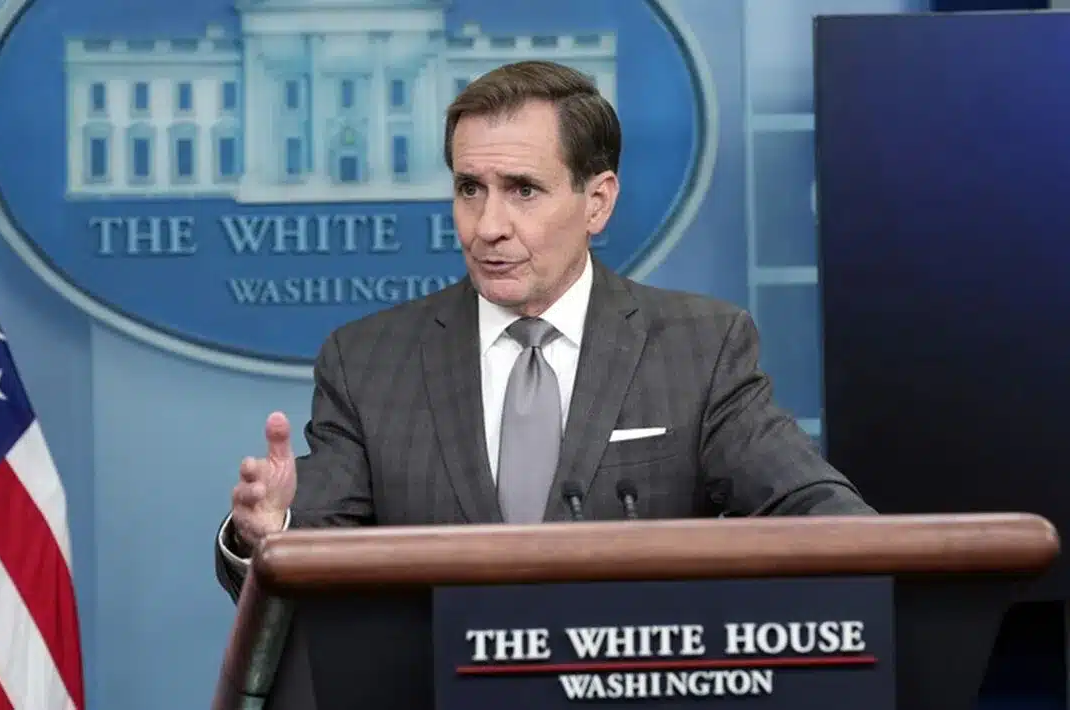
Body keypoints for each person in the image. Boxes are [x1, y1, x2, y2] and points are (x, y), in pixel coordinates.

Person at [213, 59, 874, 600]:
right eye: (470, 189)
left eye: (522, 190)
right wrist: (265, 532)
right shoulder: (368, 361)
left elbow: (819, 514)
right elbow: (307, 543)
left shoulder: (700, 347)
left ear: (597, 202)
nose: (487, 226)